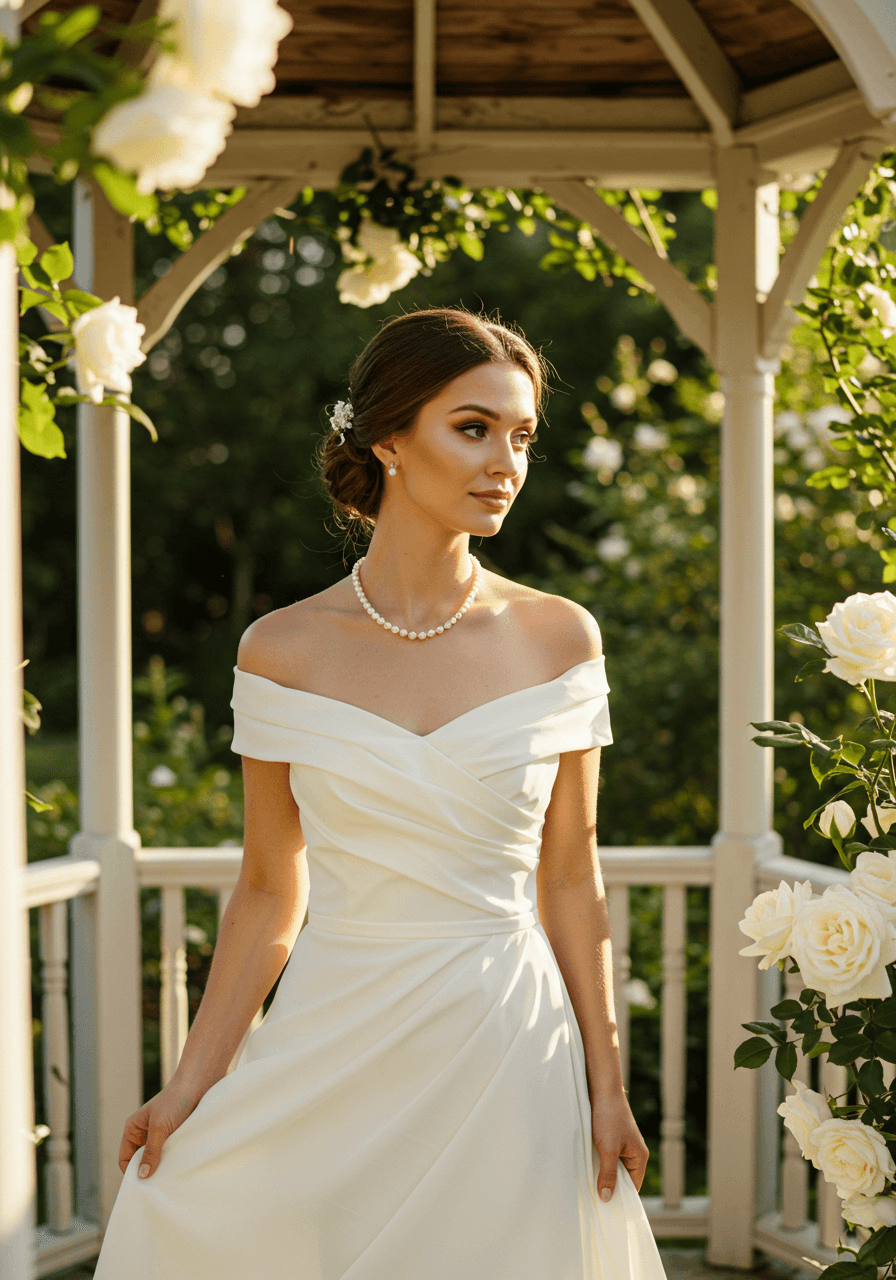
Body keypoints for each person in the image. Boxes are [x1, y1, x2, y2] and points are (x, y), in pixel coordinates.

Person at [93, 307, 668, 1279]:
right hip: (334, 1030)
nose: (504, 461)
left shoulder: (560, 637)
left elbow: (570, 878)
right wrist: (190, 1082)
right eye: (473, 426)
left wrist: (605, 1084)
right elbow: (272, 889)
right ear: (389, 436)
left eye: (521, 435)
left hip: (505, 1038)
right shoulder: (280, 651)